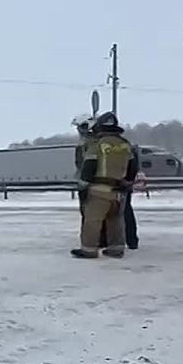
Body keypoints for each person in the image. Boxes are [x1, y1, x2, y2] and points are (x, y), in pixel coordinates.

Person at [71, 111, 138, 259]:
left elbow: (89, 166)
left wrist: (83, 186)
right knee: (115, 219)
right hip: (119, 190)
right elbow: (133, 166)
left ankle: (89, 249)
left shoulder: (97, 144)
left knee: (92, 220)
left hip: (99, 189)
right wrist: (127, 182)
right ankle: (116, 248)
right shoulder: (125, 144)